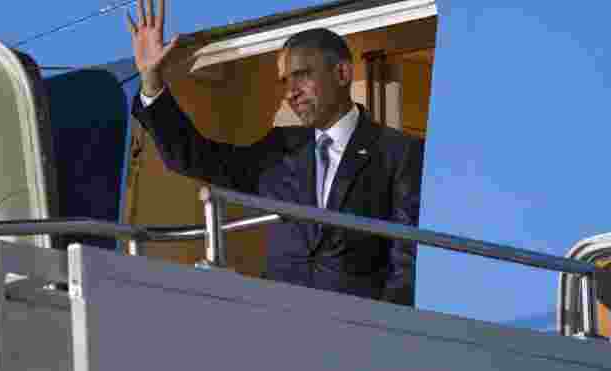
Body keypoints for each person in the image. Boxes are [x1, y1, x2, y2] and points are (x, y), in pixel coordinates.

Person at [126, 0, 423, 306]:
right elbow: (196, 157)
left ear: (343, 73)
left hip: (361, 331)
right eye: (285, 81)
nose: (290, 92)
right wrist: (151, 82)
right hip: (279, 322)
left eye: (302, 75)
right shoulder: (280, 148)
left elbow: (407, 262)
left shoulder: (399, 153)